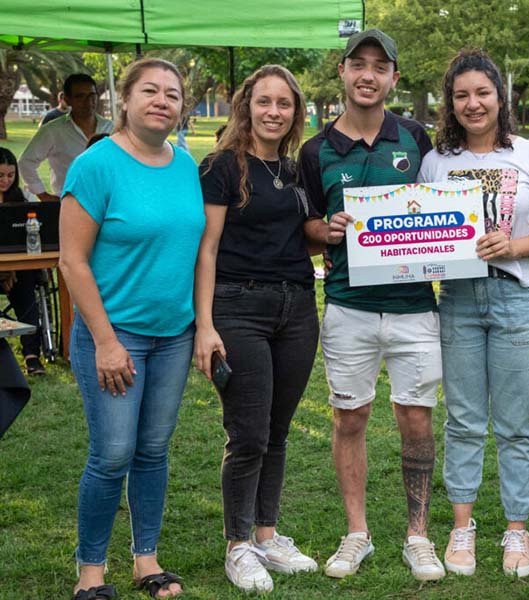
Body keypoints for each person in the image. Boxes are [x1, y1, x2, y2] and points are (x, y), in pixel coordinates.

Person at [418, 49, 529, 578]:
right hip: (458, 300)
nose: (472, 103)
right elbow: (421, 234)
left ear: (499, 97)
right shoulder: (437, 161)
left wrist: (514, 246)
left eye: (482, 92)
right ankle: (462, 527)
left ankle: (517, 531)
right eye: (461, 95)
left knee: (514, 425)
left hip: (517, 300)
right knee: (462, 421)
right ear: (450, 103)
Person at [300, 29, 445, 582]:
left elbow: (444, 213)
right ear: (342, 71)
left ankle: (418, 535)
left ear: (394, 78)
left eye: (379, 66)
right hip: (347, 307)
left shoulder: (418, 139)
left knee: (416, 418)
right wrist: (326, 229)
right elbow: (306, 227)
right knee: (350, 416)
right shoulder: (315, 151)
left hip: (414, 306)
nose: (368, 75)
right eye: (358, 64)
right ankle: (356, 532)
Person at [59, 58, 205, 600]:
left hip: (173, 335)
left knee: (153, 451)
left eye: (172, 93)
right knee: (112, 453)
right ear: (125, 99)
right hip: (115, 335)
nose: (162, 100)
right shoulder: (96, 165)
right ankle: (90, 573)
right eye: (150, 90)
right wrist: (104, 341)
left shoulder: (185, 163)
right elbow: (72, 262)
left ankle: (147, 560)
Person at [194, 65, 320, 593]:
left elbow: (295, 240)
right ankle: (238, 545)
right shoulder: (223, 166)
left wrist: (332, 235)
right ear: (246, 106)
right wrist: (205, 325)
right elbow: (207, 248)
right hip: (237, 307)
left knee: (278, 431)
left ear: (296, 112)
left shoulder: (291, 171)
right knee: (247, 433)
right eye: (264, 101)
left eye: (284, 104)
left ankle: (267, 535)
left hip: (297, 307)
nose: (274, 112)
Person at [19, 73, 114, 201]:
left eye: (92, 95)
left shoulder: (111, 128)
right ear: (67, 99)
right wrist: (42, 195)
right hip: (68, 202)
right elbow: (26, 162)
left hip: (106, 202)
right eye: (80, 96)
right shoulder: (53, 130)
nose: (88, 101)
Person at [0, 147, 43, 375]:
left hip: (17, 271)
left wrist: (11, 270)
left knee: (26, 284)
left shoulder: (24, 198)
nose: (5, 181)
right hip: (5, 272)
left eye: (10, 175)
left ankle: (32, 355)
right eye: (0, 176)